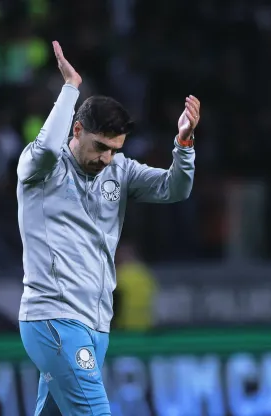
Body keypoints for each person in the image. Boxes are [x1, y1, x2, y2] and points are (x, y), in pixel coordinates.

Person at [17, 41, 200, 415]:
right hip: (54, 317)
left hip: (96, 323)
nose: (106, 158)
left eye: (114, 149)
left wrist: (183, 143)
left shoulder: (120, 169)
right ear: (78, 129)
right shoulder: (40, 169)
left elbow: (174, 189)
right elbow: (50, 147)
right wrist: (70, 88)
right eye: (100, 146)